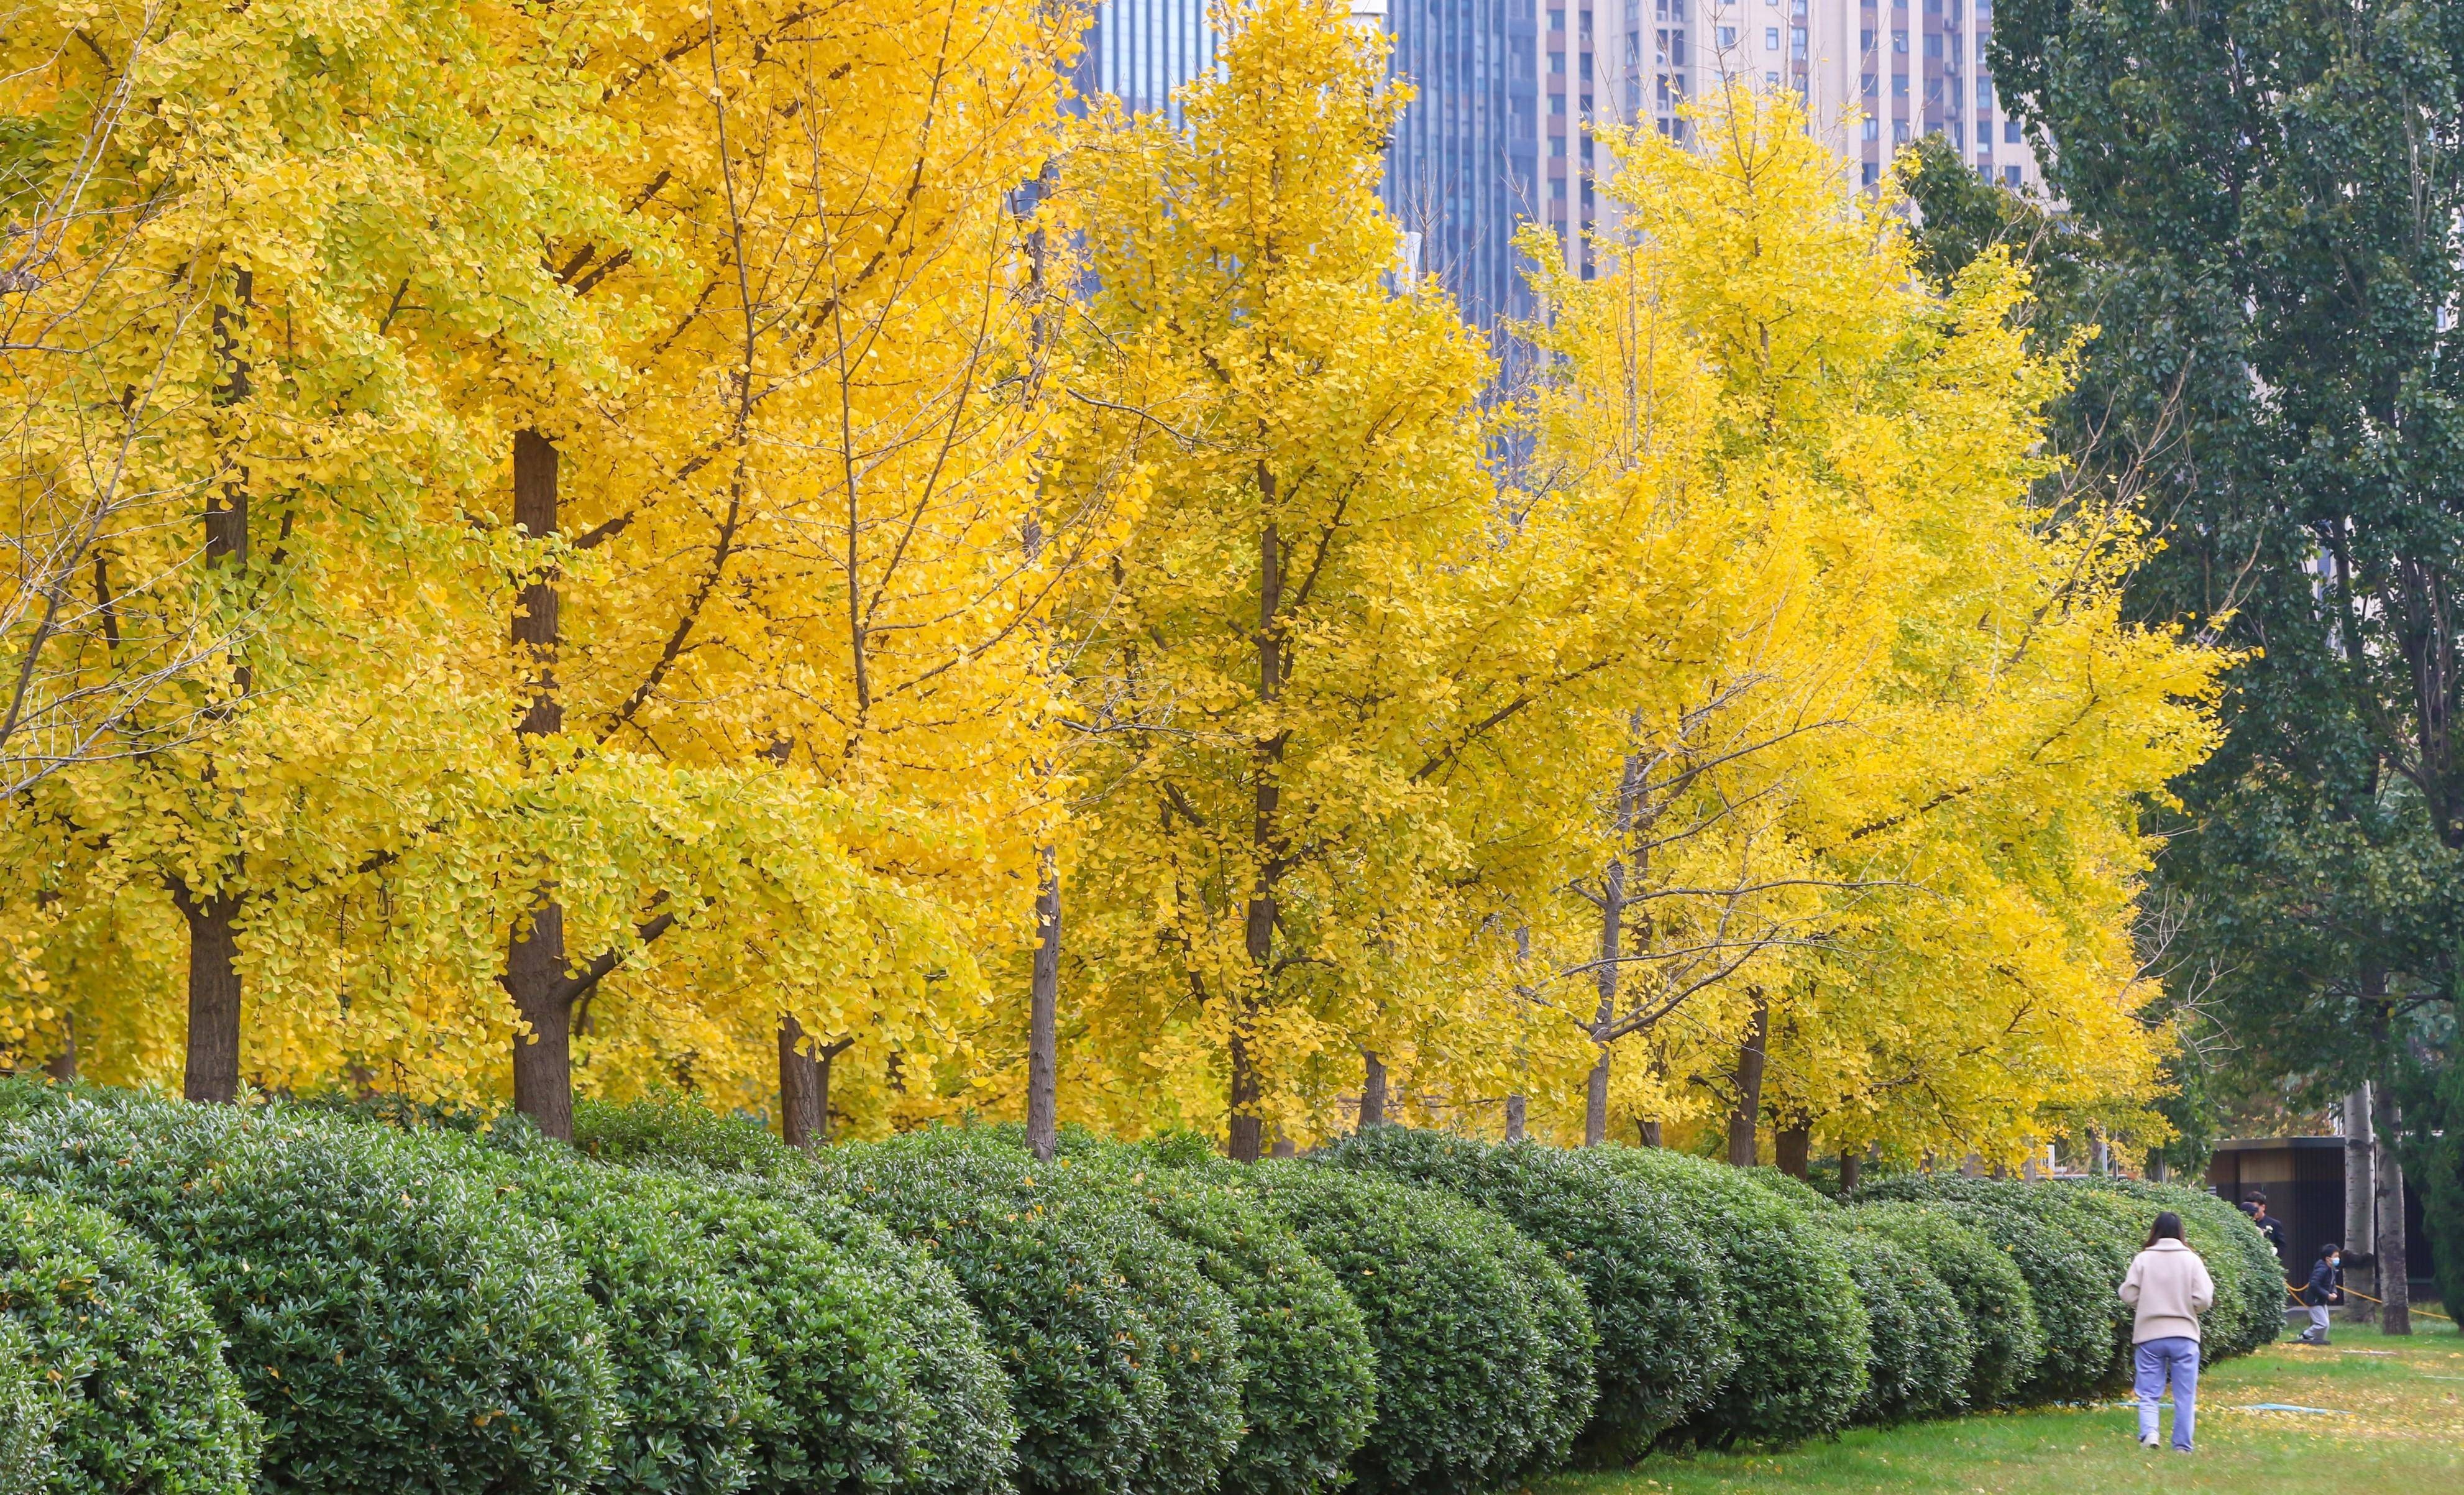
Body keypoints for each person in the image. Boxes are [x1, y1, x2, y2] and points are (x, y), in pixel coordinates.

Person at [2119, 1210, 2215, 1452]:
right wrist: (2188, 1307)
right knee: (2185, 1395)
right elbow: (2204, 1298)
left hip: (2150, 1334)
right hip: (2184, 1334)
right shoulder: (2192, 1260)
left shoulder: (2143, 1259)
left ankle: (2150, 1433)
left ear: (2155, 1231)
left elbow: (2127, 1294)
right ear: (2181, 1233)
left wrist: (2147, 1303)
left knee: (2149, 1392)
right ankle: (2182, 1446)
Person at [2297, 1244, 2342, 1345]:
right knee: (2323, 1324)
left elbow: (2332, 1284)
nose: (2338, 1259)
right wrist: (2327, 1295)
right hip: (2315, 1300)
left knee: (2326, 1325)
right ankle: (2305, 1335)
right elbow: (2314, 1284)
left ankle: (2318, 1342)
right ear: (2328, 1259)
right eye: (2335, 1257)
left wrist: (2334, 1292)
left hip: (2322, 1300)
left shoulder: (2332, 1269)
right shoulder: (2322, 1269)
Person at [2245, 1192, 2288, 1264]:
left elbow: (2281, 1246)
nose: (2253, 1212)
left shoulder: (2274, 1224)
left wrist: (2273, 1260)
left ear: (2263, 1207)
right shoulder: (2246, 1223)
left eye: (2256, 1208)